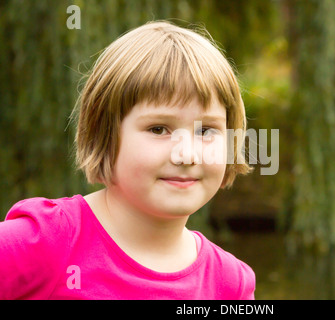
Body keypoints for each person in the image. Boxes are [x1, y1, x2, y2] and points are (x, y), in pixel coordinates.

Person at [0, 21, 255, 299]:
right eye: (158, 129)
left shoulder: (230, 284)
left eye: (206, 131)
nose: (188, 154)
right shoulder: (42, 243)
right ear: (105, 135)